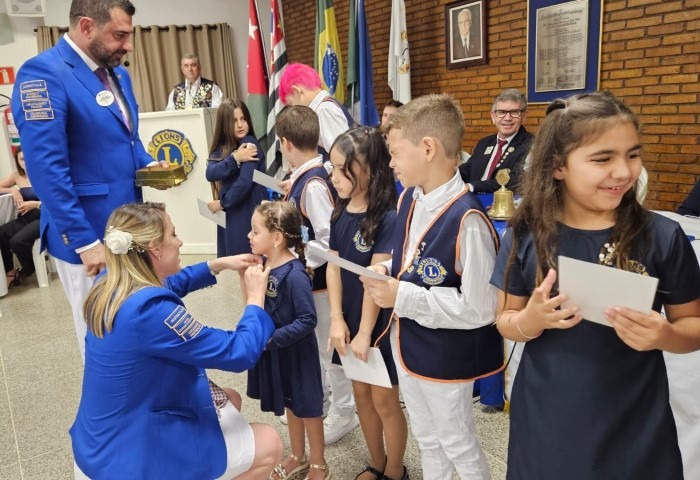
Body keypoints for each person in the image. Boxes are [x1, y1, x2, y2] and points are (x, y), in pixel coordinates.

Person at [490, 91, 700, 480]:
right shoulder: (527, 233)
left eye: (632, 155)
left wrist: (665, 335)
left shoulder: (662, 236)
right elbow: (505, 319)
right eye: (603, 159)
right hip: (548, 411)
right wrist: (531, 320)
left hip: (634, 413)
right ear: (558, 166)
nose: (623, 171)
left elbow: (692, 325)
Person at [70, 202, 283, 479]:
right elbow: (237, 352)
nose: (180, 241)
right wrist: (255, 300)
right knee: (270, 442)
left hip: (100, 439)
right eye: (173, 234)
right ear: (155, 249)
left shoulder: (109, 280)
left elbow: (166, 283)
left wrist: (217, 265)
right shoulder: (149, 312)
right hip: (127, 458)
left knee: (230, 399)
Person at [12, 0, 163, 361]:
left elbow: (128, 139)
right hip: (88, 236)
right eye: (119, 35)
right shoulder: (42, 74)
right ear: (86, 27)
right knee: (102, 339)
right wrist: (84, 242)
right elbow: (47, 170)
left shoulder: (118, 75)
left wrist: (149, 165)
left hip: (129, 227)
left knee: (135, 329)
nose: (128, 46)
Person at [362, 94, 503, 480]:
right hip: (408, 342)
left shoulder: (468, 219)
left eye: (395, 153)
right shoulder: (410, 197)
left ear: (427, 148)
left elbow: (481, 308)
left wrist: (402, 295)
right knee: (428, 438)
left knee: (457, 442)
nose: (391, 163)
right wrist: (386, 268)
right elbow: (413, 258)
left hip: (446, 354)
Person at [326, 127, 409, 480]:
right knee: (361, 395)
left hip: (376, 325)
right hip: (349, 319)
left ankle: (395, 470)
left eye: (341, 169)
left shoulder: (387, 217)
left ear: (368, 170)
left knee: (384, 401)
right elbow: (333, 265)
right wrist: (336, 318)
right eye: (332, 168)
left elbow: (375, 278)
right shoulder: (340, 210)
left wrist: (363, 333)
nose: (333, 177)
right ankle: (377, 463)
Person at [276, 105, 360, 444]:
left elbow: (328, 239)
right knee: (318, 347)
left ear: (285, 143)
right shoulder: (308, 177)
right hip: (314, 279)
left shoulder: (311, 185)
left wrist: (297, 259)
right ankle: (323, 400)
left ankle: (345, 411)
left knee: (329, 348)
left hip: (323, 281)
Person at [246, 201, 330, 480]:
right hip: (278, 352)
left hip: (298, 355)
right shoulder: (266, 266)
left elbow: (307, 320)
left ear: (277, 238)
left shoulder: (294, 275)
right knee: (291, 405)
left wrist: (269, 339)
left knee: (309, 409)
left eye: (255, 231)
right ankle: (297, 455)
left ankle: (318, 463)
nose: (249, 236)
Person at [205, 98, 267, 261]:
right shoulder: (224, 147)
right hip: (233, 210)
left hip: (247, 209)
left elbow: (245, 182)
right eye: (234, 121)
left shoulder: (249, 144)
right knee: (238, 262)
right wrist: (235, 159)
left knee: (249, 260)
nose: (240, 125)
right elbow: (210, 173)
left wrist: (222, 203)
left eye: (243, 119)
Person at [459, 89, 534, 194]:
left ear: (524, 116)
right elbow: (467, 170)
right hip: (472, 200)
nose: (507, 118)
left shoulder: (532, 144)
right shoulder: (484, 143)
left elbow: (517, 180)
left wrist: (472, 187)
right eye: (501, 112)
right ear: (493, 117)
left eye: (514, 112)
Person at [280, 63, 355, 159]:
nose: (293, 109)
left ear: (296, 91)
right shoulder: (324, 107)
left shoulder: (323, 110)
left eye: (291, 104)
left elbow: (343, 157)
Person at [0, 147, 40, 286]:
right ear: (17, 161)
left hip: (44, 216)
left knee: (17, 241)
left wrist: (35, 204)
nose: (25, 162)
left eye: (28, 158)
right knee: (1, 233)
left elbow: (55, 201)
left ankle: (33, 270)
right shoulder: (17, 176)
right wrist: (12, 190)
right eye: (22, 159)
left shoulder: (44, 174)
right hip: (26, 216)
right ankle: (10, 272)